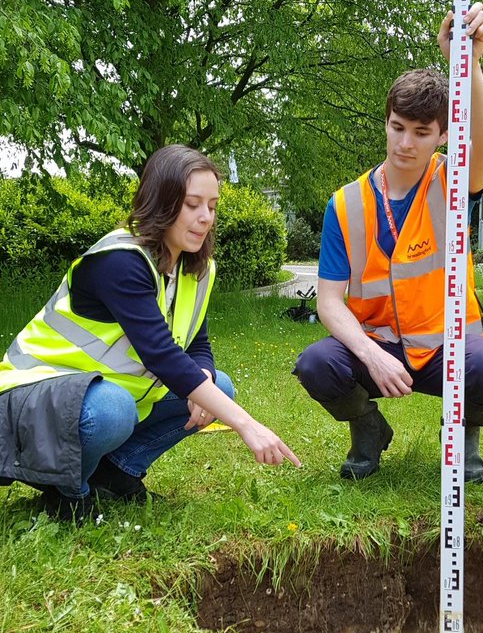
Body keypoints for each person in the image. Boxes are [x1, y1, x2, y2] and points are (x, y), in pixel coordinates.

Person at [293, 0, 483, 483]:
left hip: (447, 348)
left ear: (442, 135)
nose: (404, 143)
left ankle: (464, 434)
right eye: (397, 127)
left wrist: (469, 65)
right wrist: (372, 355)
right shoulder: (346, 204)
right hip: (377, 345)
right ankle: (368, 430)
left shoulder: (452, 181)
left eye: (421, 132)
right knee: (316, 363)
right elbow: (329, 303)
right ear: (386, 121)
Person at [0, 145, 300, 519]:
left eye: (212, 205)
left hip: (98, 398)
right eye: (192, 204)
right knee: (114, 409)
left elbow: (197, 344)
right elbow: (162, 355)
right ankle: (67, 491)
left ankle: (115, 472)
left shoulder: (196, 269)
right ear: (161, 201)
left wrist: (203, 373)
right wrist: (246, 424)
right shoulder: (119, 261)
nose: (205, 217)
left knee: (217, 386)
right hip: (32, 403)